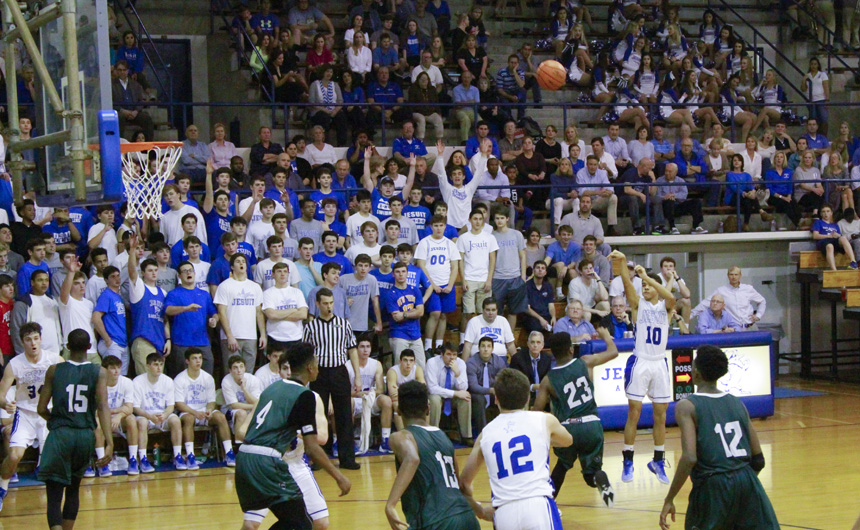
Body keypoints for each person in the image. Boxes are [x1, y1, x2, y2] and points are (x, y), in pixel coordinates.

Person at [659, 345, 780, 530]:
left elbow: (689, 457)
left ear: (696, 372)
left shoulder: (687, 406)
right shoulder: (737, 403)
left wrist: (670, 498)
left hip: (713, 485)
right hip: (746, 479)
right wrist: (738, 481)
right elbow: (758, 460)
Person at [235, 342, 352, 529]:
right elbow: (312, 447)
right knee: (299, 524)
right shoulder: (304, 396)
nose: (318, 367)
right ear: (310, 367)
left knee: (295, 522)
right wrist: (339, 476)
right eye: (317, 362)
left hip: (244, 459)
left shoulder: (272, 388)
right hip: (267, 462)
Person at [459, 369, 572, 529]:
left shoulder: (485, 434)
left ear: (496, 399)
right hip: (538, 505)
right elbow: (567, 440)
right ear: (528, 398)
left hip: (504, 512)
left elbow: (464, 484)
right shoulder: (544, 420)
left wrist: (480, 511)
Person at [609, 249, 676, 484]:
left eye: (648, 286)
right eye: (644, 286)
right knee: (634, 413)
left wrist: (646, 277)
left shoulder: (666, 308)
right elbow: (627, 282)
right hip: (641, 361)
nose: (645, 288)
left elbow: (671, 297)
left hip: (659, 363)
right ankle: (628, 459)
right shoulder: (638, 305)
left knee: (661, 415)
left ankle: (658, 460)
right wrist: (622, 261)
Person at [35, 328, 111, 529]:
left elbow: (41, 408)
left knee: (54, 493)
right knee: (73, 489)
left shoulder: (54, 370)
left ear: (67, 347)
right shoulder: (99, 372)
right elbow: (103, 406)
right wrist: (109, 442)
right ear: (89, 347)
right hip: (85, 435)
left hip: (61, 434)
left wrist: (56, 420)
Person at [534, 328, 619, 506]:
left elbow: (537, 411)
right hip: (592, 424)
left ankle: (547, 504)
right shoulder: (585, 362)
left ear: (552, 354)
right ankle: (599, 478)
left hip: (568, 428)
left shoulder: (548, 380)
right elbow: (613, 352)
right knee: (591, 475)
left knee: (562, 466)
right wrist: (605, 336)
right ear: (571, 349)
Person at [384, 380, 484, 530]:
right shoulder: (444, 437)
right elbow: (460, 485)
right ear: (428, 409)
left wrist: (390, 505)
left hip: (435, 521)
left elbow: (412, 458)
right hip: (467, 517)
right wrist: (479, 509)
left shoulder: (401, 436)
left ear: (398, 410)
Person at [0, 323, 63, 510]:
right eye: (28, 340)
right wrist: (4, 404)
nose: (33, 343)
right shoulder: (15, 364)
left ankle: (57, 499)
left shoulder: (54, 359)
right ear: (22, 342)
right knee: (14, 456)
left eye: (36, 338)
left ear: (41, 339)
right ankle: (2, 488)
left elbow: (68, 383)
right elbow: (1, 393)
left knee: (54, 460)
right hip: (24, 414)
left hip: (48, 413)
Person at [303, 287, 362, 470]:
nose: (329, 307)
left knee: (344, 415)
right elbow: (306, 353)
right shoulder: (311, 327)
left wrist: (357, 376)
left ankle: (347, 459)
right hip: (319, 373)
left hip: (339, 371)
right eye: (325, 303)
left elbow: (352, 350)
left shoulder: (344, 324)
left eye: (331, 303)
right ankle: (318, 458)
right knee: (317, 415)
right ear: (317, 304)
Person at [174, 348, 235, 469]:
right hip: (188, 412)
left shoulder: (208, 378)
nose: (198, 361)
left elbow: (212, 401)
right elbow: (179, 404)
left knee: (220, 417)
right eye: (194, 358)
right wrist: (195, 412)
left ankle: (229, 453)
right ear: (187, 361)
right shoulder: (179, 379)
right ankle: (190, 456)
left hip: (203, 411)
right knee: (189, 419)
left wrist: (209, 410)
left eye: (200, 358)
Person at [165, 260, 219, 376]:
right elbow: (167, 310)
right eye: (185, 271)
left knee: (207, 376)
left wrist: (214, 320)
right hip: (181, 342)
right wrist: (185, 308)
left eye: (190, 270)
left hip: (203, 341)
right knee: (182, 377)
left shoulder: (204, 294)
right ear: (179, 276)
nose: (188, 273)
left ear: (194, 273)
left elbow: (214, 313)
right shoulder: (173, 294)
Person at [214, 254, 266, 371]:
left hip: (251, 336)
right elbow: (221, 312)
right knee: (232, 373)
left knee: (248, 373)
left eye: (243, 261)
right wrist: (229, 336)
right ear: (232, 266)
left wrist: (262, 334)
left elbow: (259, 312)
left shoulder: (255, 287)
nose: (241, 263)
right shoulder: (224, 286)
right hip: (232, 336)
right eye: (238, 261)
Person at [133, 353, 184, 470]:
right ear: (147, 365)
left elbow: (171, 405)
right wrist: (149, 416)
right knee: (142, 423)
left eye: (161, 364)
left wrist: (165, 415)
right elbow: (135, 408)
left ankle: (178, 455)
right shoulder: (137, 381)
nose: (159, 368)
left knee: (176, 420)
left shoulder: (168, 381)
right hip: (145, 416)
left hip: (162, 416)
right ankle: (143, 458)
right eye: (155, 365)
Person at [127, 236, 170, 377]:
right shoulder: (139, 288)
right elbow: (132, 272)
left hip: (159, 342)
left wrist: (168, 340)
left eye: (155, 270)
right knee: (145, 381)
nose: (154, 273)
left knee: (157, 382)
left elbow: (165, 320)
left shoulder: (163, 292)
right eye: (150, 270)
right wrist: (132, 250)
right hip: (143, 340)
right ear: (143, 273)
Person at [347, 334, 393, 453]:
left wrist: (368, 393)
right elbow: (344, 392)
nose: (365, 350)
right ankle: (350, 441)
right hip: (355, 400)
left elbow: (380, 389)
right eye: (362, 347)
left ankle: (385, 440)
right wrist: (358, 394)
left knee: (386, 400)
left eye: (368, 346)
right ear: (356, 349)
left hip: (370, 399)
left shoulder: (376, 364)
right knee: (347, 402)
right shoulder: (347, 365)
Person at [457, 209, 498, 344]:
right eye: (475, 219)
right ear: (470, 220)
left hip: (484, 279)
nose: (478, 222)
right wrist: (463, 280)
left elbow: (492, 260)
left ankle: (482, 340)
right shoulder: (463, 238)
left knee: (483, 313)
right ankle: (463, 342)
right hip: (469, 279)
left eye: (480, 219)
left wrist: (489, 279)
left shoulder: (489, 237)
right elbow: (460, 260)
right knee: (467, 313)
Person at [691, 266, 767, 330]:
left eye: (736, 274)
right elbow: (705, 303)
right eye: (731, 274)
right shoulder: (721, 290)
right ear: (728, 276)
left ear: (740, 275)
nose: (734, 277)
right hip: (734, 329)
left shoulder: (748, 289)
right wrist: (690, 315)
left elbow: (762, 301)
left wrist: (758, 315)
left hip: (751, 327)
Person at [425, 343, 472, 445]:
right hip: (438, 395)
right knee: (434, 400)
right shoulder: (432, 363)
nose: (452, 358)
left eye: (454, 355)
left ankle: (466, 435)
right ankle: (433, 435)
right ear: (442, 354)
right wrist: (455, 393)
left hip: (453, 396)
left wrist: (457, 374)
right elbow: (432, 388)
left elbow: (463, 388)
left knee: (466, 398)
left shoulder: (460, 363)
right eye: (449, 354)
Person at [11, 269, 62, 358]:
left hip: (55, 352)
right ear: (32, 283)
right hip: (33, 355)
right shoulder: (23, 303)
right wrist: (22, 355)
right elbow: (16, 330)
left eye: (46, 280)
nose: (44, 283)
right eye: (40, 280)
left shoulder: (52, 300)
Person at [466, 336, 507, 436]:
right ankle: (483, 432)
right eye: (483, 346)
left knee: (504, 395)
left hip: (494, 391)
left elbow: (503, 381)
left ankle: (504, 430)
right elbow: (473, 386)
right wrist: (490, 390)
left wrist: (496, 390)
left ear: (492, 349)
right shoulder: (471, 363)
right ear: (479, 348)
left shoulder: (499, 362)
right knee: (479, 399)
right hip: (477, 393)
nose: (485, 349)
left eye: (488, 346)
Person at [92, 266, 129, 374]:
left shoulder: (118, 296)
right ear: (106, 280)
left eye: (118, 276)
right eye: (113, 277)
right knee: (111, 377)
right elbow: (96, 317)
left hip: (122, 342)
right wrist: (107, 339)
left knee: (122, 378)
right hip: (112, 342)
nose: (117, 279)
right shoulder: (106, 295)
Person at [111, 59, 154, 140]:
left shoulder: (135, 84)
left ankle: (148, 144)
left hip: (134, 112)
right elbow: (111, 102)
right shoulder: (112, 85)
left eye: (124, 70)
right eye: (120, 70)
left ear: (127, 71)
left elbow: (141, 100)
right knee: (119, 118)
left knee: (147, 119)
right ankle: (120, 144)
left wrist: (136, 111)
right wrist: (123, 111)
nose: (122, 72)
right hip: (121, 112)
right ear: (116, 71)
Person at [510, 331, 553, 397]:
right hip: (523, 395)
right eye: (532, 342)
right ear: (528, 344)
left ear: (542, 345)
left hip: (543, 395)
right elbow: (516, 382)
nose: (535, 345)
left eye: (538, 342)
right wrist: (533, 387)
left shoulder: (547, 358)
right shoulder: (517, 359)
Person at [522, 260, 556, 333]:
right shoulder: (526, 286)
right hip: (532, 317)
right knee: (536, 327)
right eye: (538, 268)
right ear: (533, 271)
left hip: (545, 316)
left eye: (543, 268)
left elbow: (551, 306)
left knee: (557, 327)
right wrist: (540, 319)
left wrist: (553, 317)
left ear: (545, 272)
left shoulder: (548, 286)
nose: (540, 270)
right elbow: (527, 308)